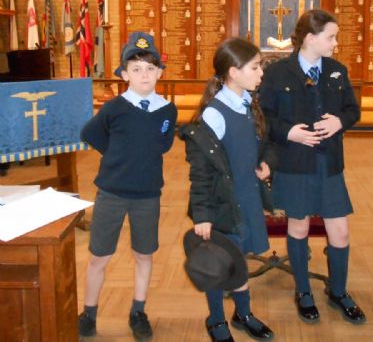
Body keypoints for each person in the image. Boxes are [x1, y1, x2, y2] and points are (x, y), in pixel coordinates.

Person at [259, 9, 366, 326]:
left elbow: (352, 110)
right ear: (309, 38)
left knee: (340, 231)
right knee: (299, 227)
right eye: (330, 37)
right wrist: (288, 132)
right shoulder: (277, 73)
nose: (335, 43)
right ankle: (303, 291)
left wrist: (340, 122)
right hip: (295, 163)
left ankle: (338, 291)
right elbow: (263, 118)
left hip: (329, 164)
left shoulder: (337, 71)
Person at [78, 32, 178, 339]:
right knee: (100, 256)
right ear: (124, 75)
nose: (144, 74)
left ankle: (138, 310)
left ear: (160, 72)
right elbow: (91, 133)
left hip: (147, 194)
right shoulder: (114, 108)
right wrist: (116, 155)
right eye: (136, 69)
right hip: (112, 192)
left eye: (150, 68)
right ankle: (89, 313)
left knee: (144, 254)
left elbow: (163, 145)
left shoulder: (167, 110)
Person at [179, 37, 275, 342]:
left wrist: (264, 163)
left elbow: (260, 143)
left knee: (239, 259)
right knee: (219, 264)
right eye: (255, 67)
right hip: (223, 205)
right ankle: (216, 319)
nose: (261, 73)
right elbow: (201, 173)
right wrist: (203, 215)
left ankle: (242, 313)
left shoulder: (248, 103)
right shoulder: (215, 114)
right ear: (234, 72)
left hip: (246, 198)